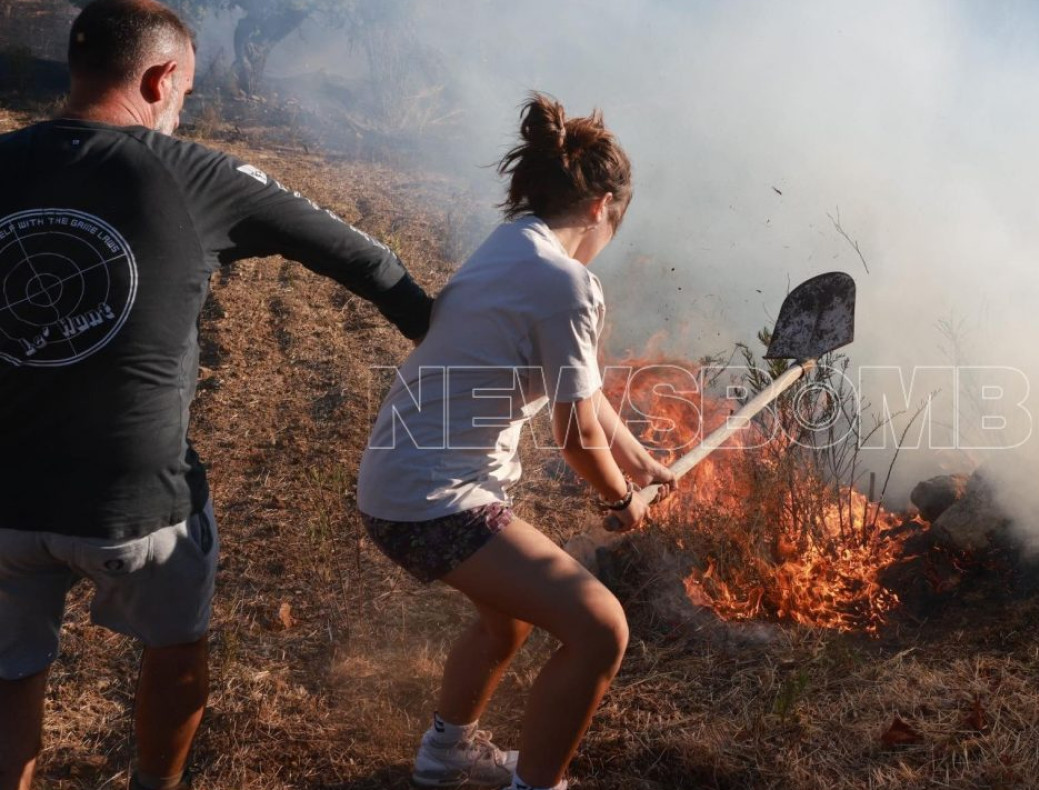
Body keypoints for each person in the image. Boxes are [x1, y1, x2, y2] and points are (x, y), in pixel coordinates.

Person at [0, 2, 435, 789]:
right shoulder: (196, 174)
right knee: (174, 651)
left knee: (8, 671)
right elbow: (367, 263)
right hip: (135, 507)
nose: (184, 107)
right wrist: (449, 339)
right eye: (188, 93)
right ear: (163, 79)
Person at [356, 93, 675, 790]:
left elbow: (584, 399)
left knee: (508, 626)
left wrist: (643, 460)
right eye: (612, 227)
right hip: (433, 497)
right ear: (601, 209)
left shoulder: (508, 249)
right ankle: (540, 785)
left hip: (397, 483)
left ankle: (445, 755)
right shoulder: (567, 284)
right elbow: (575, 438)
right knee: (600, 629)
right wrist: (622, 499)